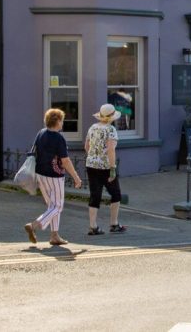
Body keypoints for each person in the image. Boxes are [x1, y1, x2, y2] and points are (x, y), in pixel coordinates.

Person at [24, 108, 82, 246]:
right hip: (55, 176)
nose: (63, 123)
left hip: (40, 173)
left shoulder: (41, 133)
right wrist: (76, 177)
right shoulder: (58, 138)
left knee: (52, 205)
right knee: (58, 206)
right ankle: (34, 225)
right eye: (62, 120)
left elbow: (34, 151)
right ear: (57, 121)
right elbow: (65, 161)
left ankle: (54, 236)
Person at [83, 103, 125, 236]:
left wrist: (94, 157)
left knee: (95, 195)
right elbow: (111, 150)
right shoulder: (111, 130)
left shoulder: (92, 128)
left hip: (91, 165)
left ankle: (93, 226)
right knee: (116, 194)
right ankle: (114, 224)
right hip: (106, 167)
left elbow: (86, 146)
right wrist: (112, 168)